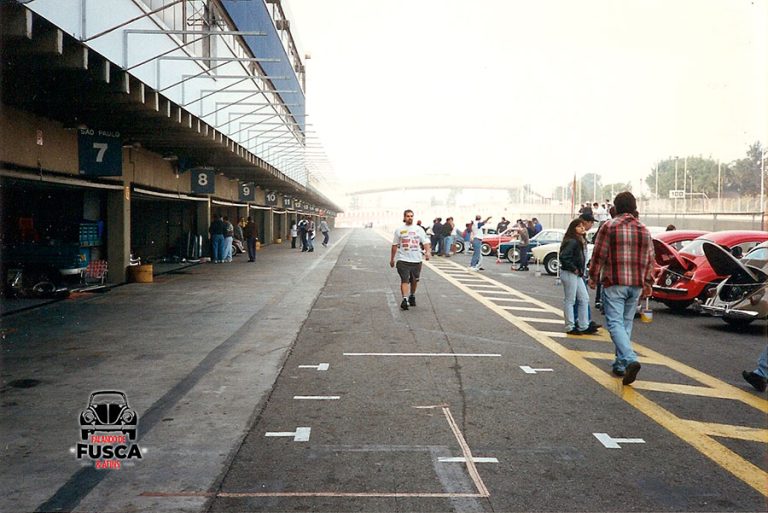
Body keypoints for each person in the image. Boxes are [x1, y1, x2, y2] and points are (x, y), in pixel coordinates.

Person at [588, 191, 654, 386]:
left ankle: (630, 359)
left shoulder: (609, 226)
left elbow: (599, 254)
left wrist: (593, 277)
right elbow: (651, 259)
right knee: (626, 324)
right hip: (636, 284)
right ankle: (620, 364)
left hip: (615, 281)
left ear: (615, 207)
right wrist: (648, 283)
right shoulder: (644, 229)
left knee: (615, 323)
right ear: (634, 208)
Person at [559, 218, 597, 335]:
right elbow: (564, 257)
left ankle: (583, 325)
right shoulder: (572, 241)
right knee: (570, 300)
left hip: (577, 273)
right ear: (573, 228)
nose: (582, 228)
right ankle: (570, 326)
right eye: (579, 226)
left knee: (584, 298)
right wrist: (574, 268)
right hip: (571, 272)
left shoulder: (579, 240)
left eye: (582, 226)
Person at [390, 209, 431, 310]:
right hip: (403, 260)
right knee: (404, 279)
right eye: (408, 216)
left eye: (411, 216)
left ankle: (412, 295)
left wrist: (427, 252)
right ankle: (405, 299)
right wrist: (392, 259)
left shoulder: (419, 229)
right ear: (404, 217)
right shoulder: (399, 230)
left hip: (416, 260)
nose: (410, 218)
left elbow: (425, 242)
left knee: (414, 280)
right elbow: (394, 245)